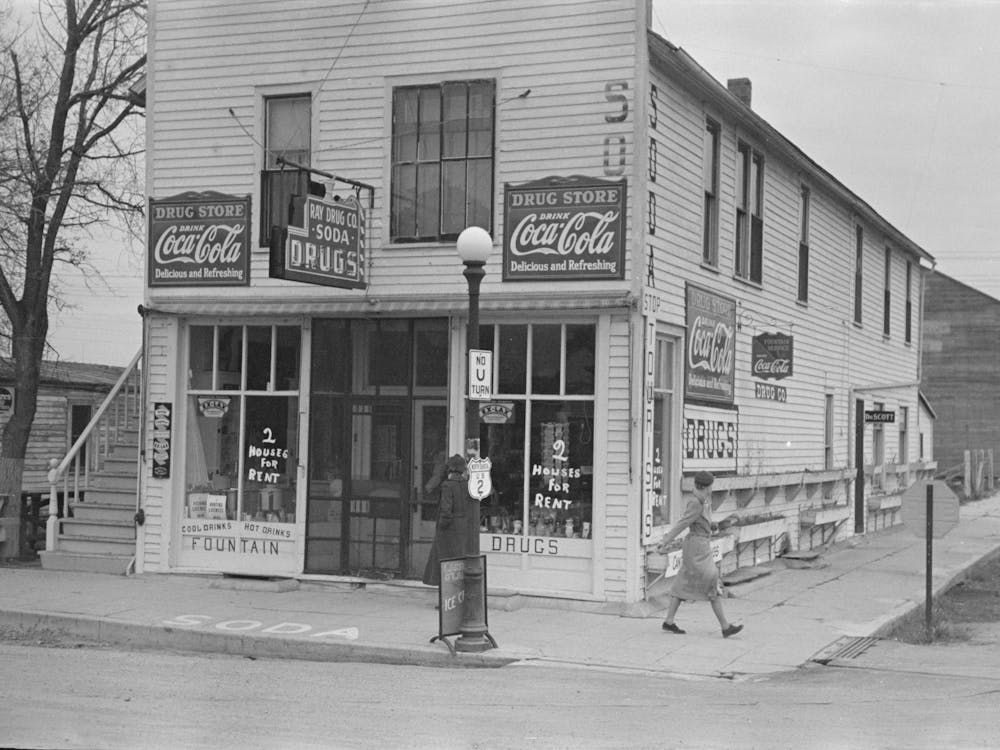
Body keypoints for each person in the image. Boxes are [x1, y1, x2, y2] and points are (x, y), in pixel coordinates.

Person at [656, 470, 743, 638]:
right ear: (705, 487)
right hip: (696, 548)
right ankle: (725, 627)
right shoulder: (696, 502)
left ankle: (669, 621)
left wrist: (713, 525)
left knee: (683, 581)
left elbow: (700, 521)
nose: (712, 489)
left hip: (700, 546)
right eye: (711, 486)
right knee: (711, 579)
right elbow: (683, 523)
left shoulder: (704, 501)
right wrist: (665, 541)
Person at [422, 454, 472, 587]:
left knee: (444, 564)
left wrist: (441, 527)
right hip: (462, 527)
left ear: (450, 469)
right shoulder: (466, 485)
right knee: (458, 563)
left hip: (449, 530)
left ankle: (447, 598)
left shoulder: (447, 486)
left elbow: (446, 511)